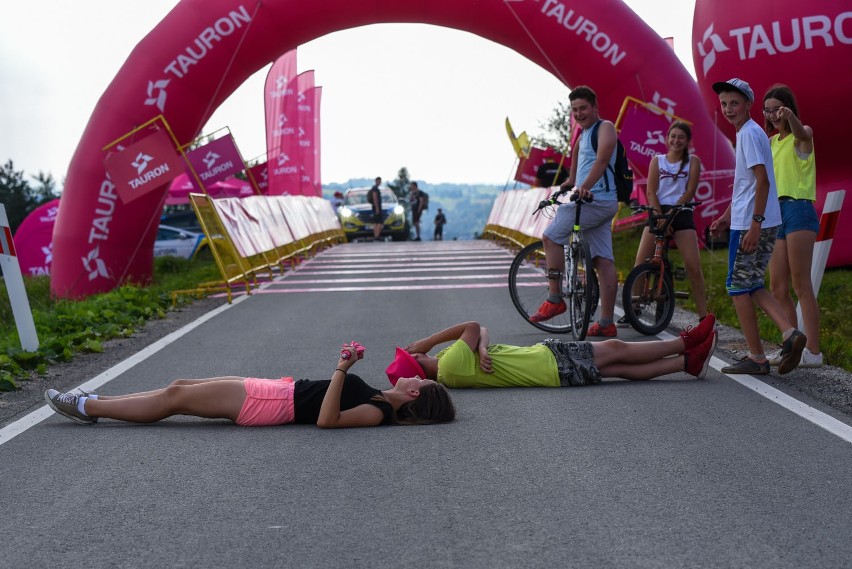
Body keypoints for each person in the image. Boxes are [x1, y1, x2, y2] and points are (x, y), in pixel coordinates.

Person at [44, 343, 456, 428]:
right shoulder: (380, 399)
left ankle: (86, 409)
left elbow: (327, 420)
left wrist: (341, 369)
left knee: (176, 399)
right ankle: (96, 400)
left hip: (270, 405)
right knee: (180, 385)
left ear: (416, 393)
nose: (416, 373)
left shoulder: (379, 412)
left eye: (420, 378)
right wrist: (345, 369)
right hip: (275, 391)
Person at [708, 78, 806, 376]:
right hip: (757, 219)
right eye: (724, 104)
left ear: (749, 105)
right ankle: (790, 333)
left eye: (734, 103)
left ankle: (757, 357)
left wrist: (754, 224)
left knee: (737, 288)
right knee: (751, 284)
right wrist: (727, 214)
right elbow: (747, 186)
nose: (728, 109)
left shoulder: (749, 135)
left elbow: (762, 182)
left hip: (753, 223)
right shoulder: (751, 134)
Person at [386, 318, 718, 388]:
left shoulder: (448, 365)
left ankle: (687, 363)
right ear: (419, 364)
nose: (421, 350)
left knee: (617, 367)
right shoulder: (450, 367)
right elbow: (472, 326)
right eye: (417, 353)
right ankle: (684, 343)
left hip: (549, 369)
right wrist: (430, 337)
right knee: (615, 349)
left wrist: (483, 346)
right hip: (548, 361)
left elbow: (481, 333)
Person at [530, 86, 620, 337]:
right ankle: (606, 323)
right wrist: (571, 181)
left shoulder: (605, 128)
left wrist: (584, 188)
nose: (579, 113)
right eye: (574, 110)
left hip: (596, 200)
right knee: (602, 260)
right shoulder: (583, 135)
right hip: (594, 201)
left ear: (595, 107)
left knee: (550, 237)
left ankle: (555, 297)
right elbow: (579, 162)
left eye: (583, 108)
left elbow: (602, 160)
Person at [618, 121, 709, 327]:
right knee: (640, 263)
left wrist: (672, 214)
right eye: (673, 136)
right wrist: (661, 217)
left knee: (693, 266)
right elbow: (651, 192)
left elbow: (690, 191)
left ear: (687, 141)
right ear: (667, 138)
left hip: (682, 212)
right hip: (658, 211)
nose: (676, 140)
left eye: (681, 137)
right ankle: (634, 308)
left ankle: (704, 315)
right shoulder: (657, 160)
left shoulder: (692, 161)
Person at [762, 84, 822, 368]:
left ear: (788, 109)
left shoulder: (802, 134)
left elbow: (801, 133)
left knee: (801, 284)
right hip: (776, 212)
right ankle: (791, 347)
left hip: (798, 208)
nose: (774, 115)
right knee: (777, 286)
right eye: (769, 110)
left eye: (778, 109)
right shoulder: (770, 142)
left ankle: (813, 351)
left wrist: (792, 118)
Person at [368, 177, 384, 241]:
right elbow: (375, 198)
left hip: (376, 208)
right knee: (379, 222)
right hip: (377, 208)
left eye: (380, 181)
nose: (380, 182)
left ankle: (376, 235)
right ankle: (377, 236)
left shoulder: (375, 188)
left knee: (376, 223)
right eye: (379, 181)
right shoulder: (375, 189)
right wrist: (377, 208)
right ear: (376, 181)